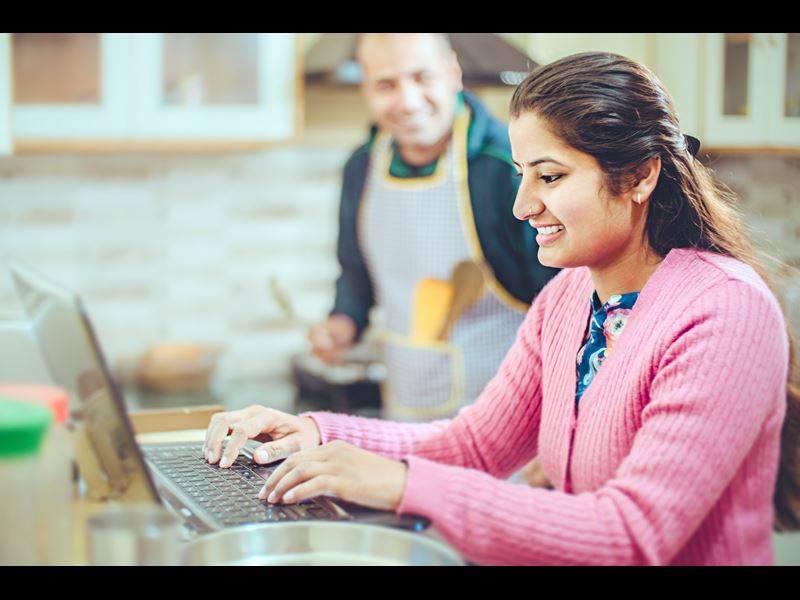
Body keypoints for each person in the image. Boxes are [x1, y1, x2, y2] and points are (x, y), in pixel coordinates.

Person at [205, 52, 800, 565]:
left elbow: (631, 534)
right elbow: (476, 446)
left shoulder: (723, 313)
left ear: (640, 177)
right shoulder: (570, 296)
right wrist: (314, 431)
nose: (522, 205)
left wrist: (405, 485)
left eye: (549, 176)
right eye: (521, 174)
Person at [307, 33, 558, 423]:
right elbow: (356, 273)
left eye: (422, 77)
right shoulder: (361, 166)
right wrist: (343, 323)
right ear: (366, 88)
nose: (407, 101)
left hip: (506, 419)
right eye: (386, 84)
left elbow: (559, 296)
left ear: (453, 73)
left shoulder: (505, 167)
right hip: (403, 414)